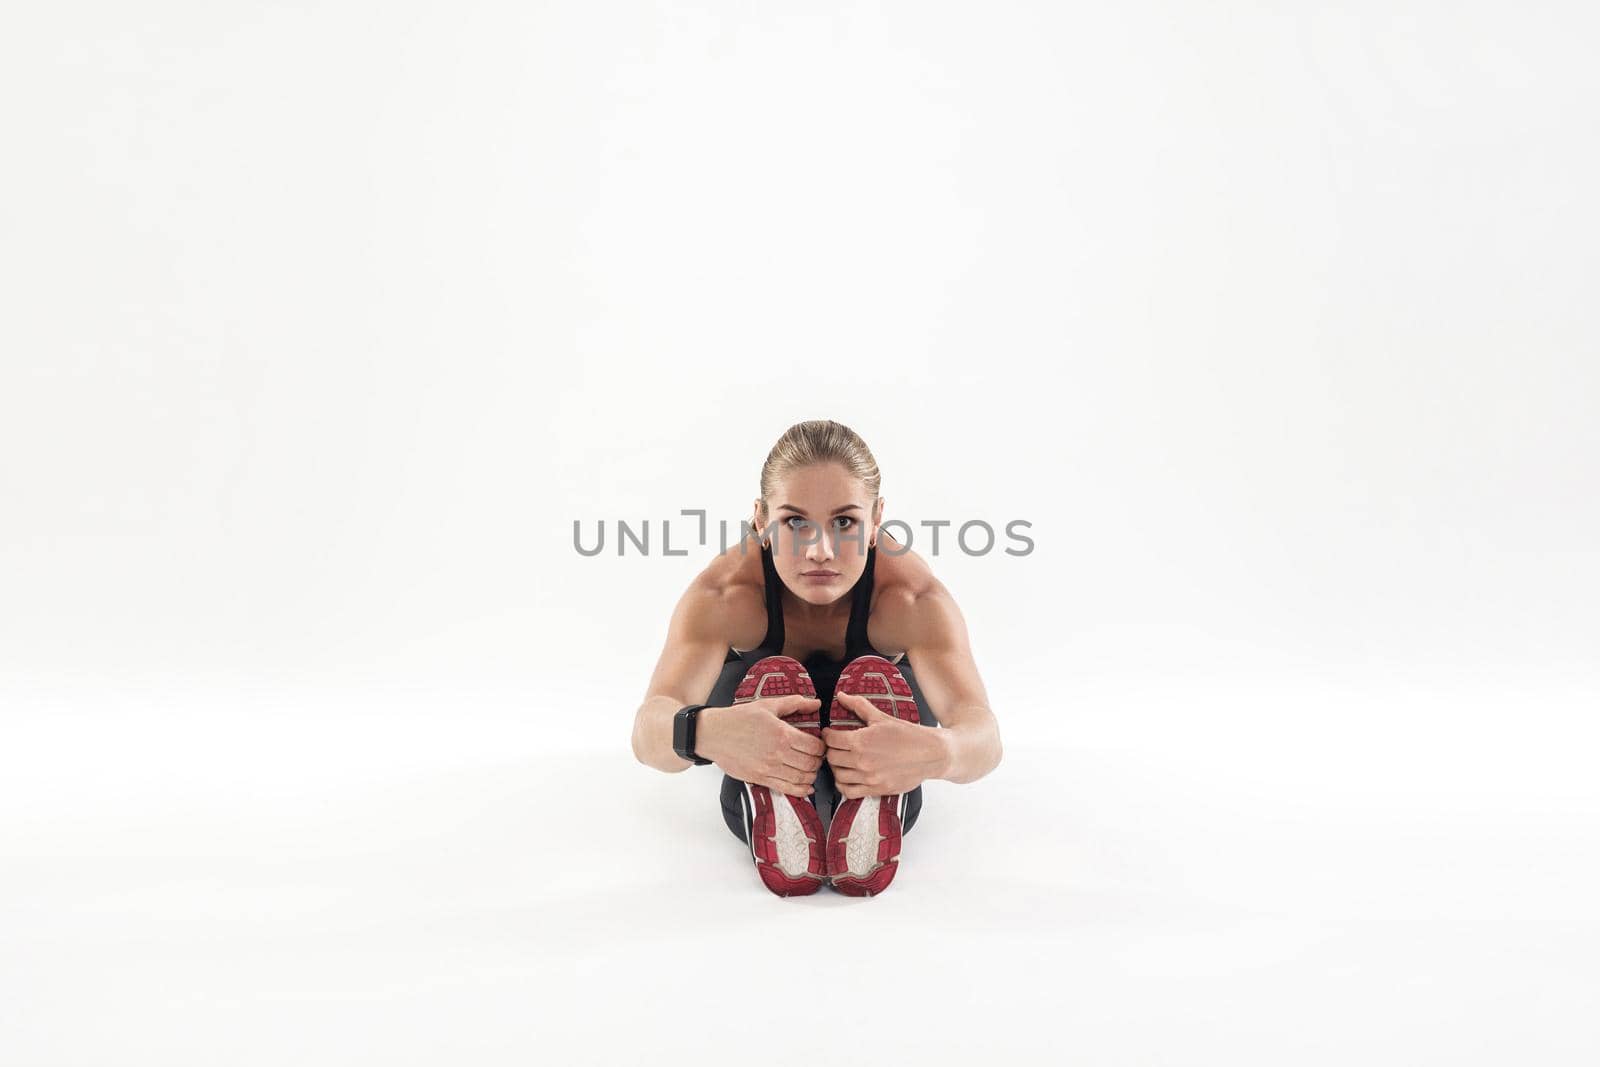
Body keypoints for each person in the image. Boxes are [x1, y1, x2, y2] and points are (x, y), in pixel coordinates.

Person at [630, 420, 1003, 897]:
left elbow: (983, 734)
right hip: (761, 707)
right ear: (762, 520)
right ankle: (763, 784)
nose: (820, 551)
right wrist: (708, 732)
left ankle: (876, 788)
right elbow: (648, 732)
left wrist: (937, 752)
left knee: (904, 693)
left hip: (877, 707)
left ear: (877, 520)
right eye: (795, 522)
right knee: (735, 689)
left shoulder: (909, 599)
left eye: (844, 522)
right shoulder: (728, 594)